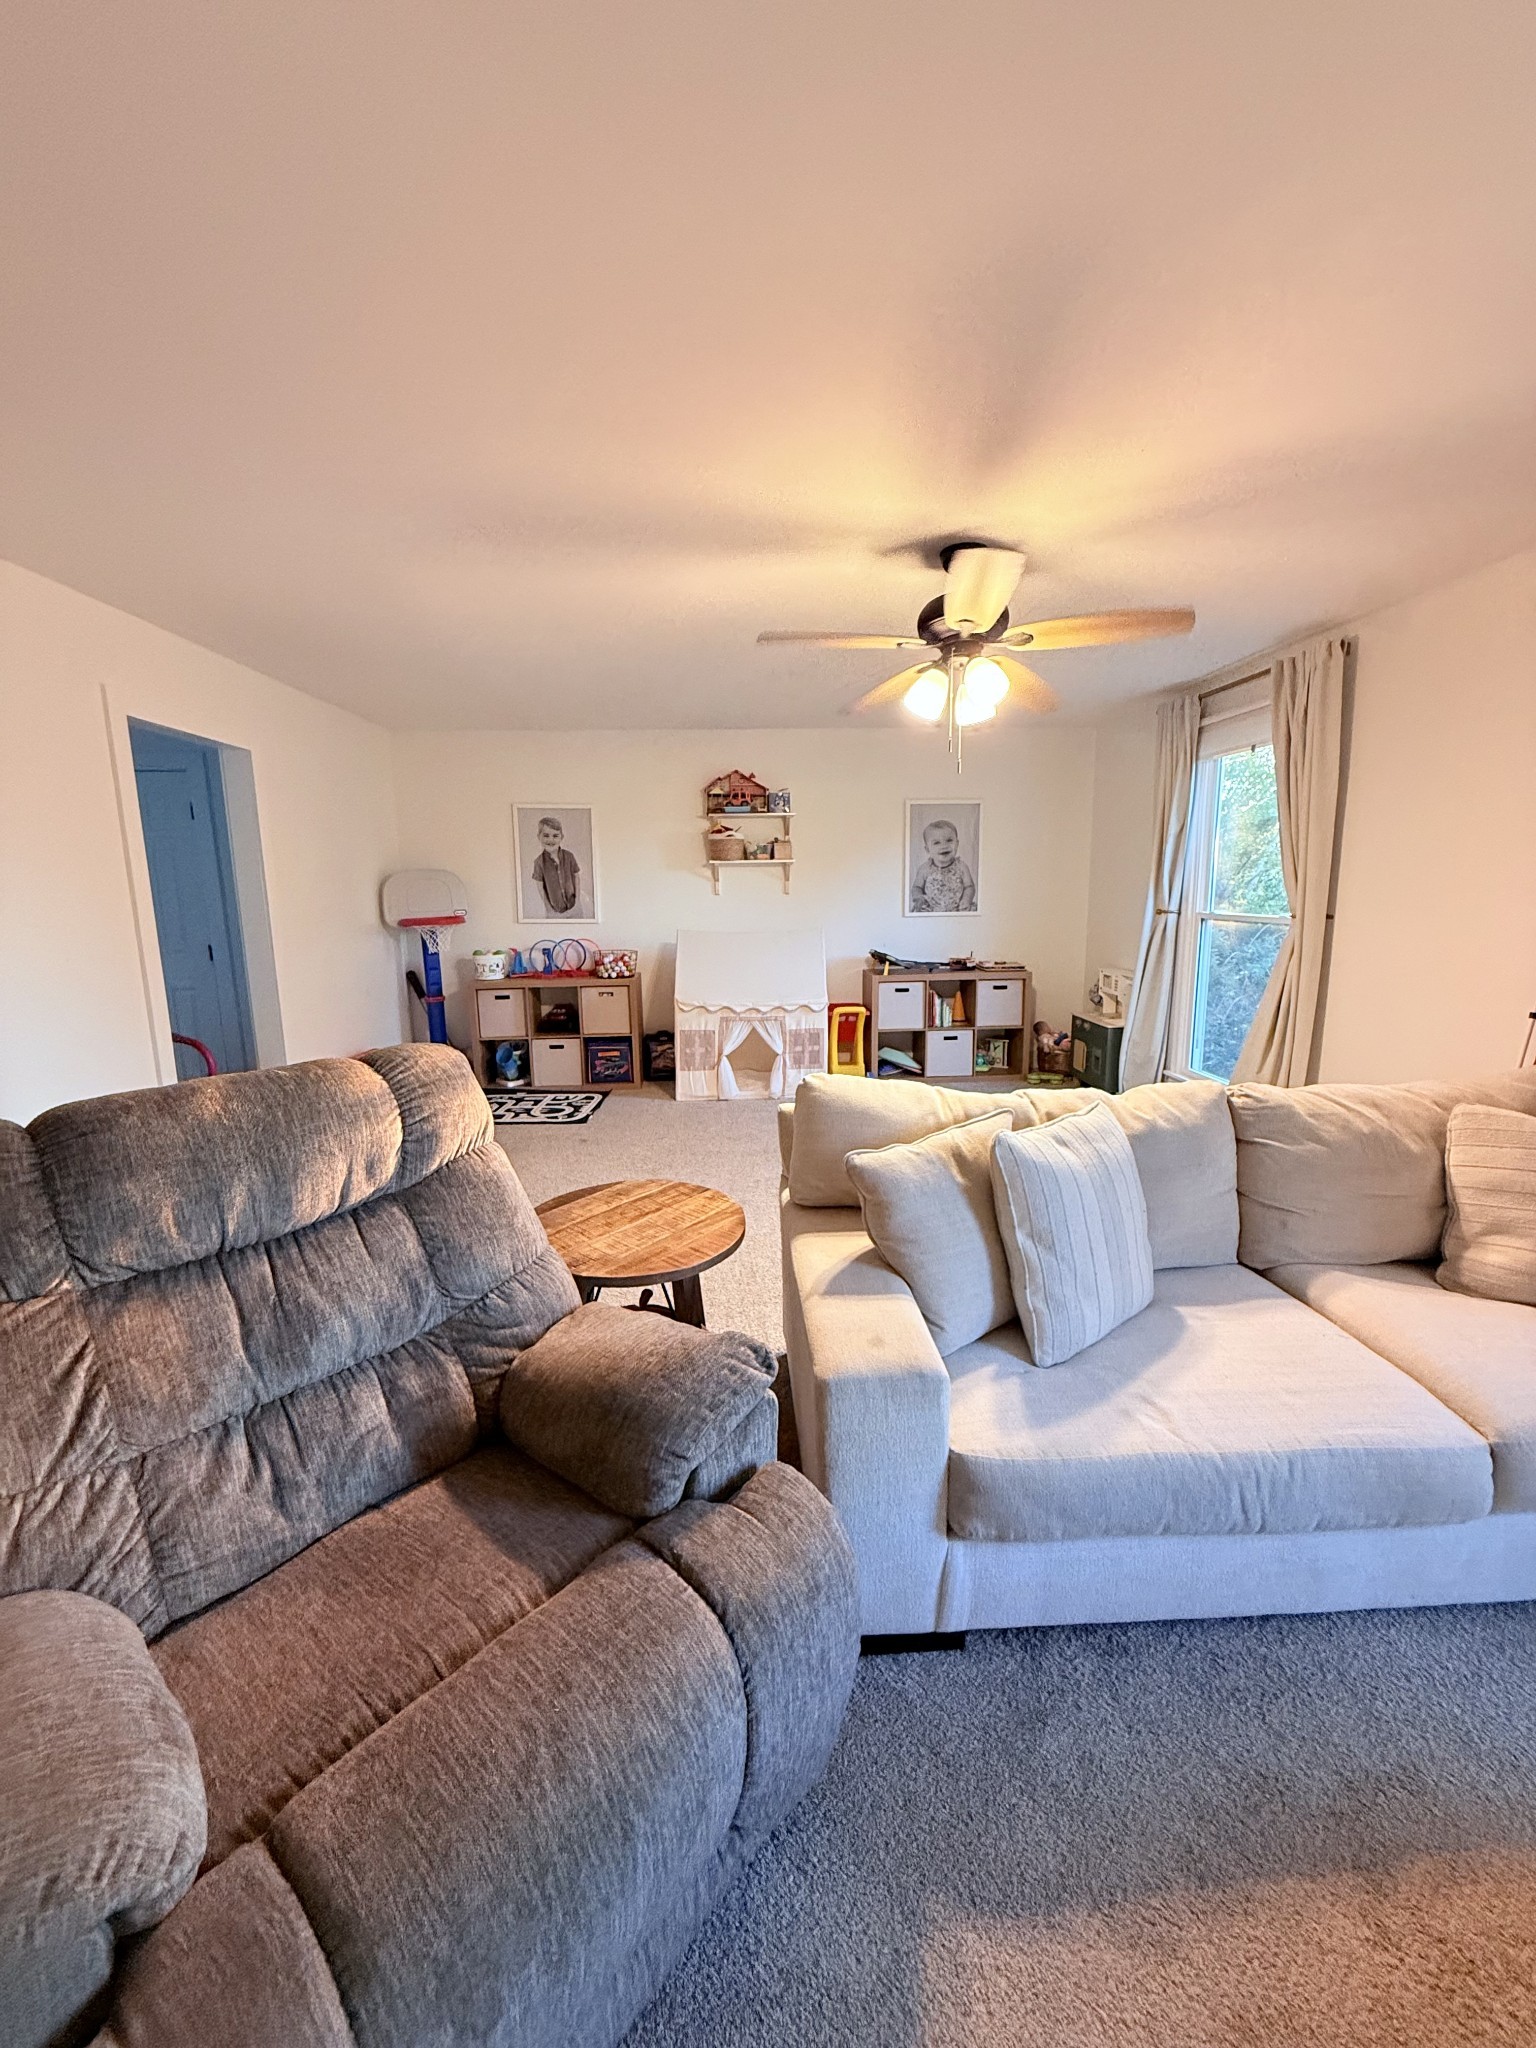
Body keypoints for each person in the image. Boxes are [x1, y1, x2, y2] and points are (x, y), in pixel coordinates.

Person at [910, 816, 976, 913]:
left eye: (949, 840)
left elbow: (969, 886)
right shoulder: (925, 868)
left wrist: (966, 900)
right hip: (931, 911)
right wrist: (919, 898)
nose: (944, 846)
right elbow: (917, 887)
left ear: (957, 844)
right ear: (928, 849)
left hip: (957, 910)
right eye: (937, 843)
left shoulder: (961, 866)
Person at [532, 815, 581, 915]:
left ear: (561, 837)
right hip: (554, 911)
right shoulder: (539, 862)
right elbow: (540, 888)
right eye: (546, 835)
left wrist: (577, 902)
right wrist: (549, 909)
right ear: (539, 837)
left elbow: (576, 877)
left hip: (573, 906)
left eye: (555, 836)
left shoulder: (569, 856)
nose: (551, 840)